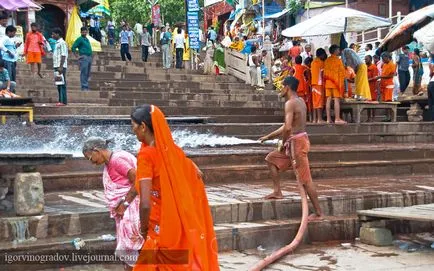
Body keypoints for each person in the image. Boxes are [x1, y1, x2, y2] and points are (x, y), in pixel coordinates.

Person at [130, 104, 219, 270]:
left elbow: (145, 203)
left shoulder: (146, 156)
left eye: (133, 127)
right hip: (176, 222)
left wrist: (143, 230)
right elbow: (192, 170)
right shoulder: (172, 152)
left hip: (157, 226)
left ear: (143, 126)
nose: (133, 131)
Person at [258, 76, 323, 221]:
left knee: (305, 180)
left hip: (297, 144)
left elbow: (288, 128)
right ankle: (277, 191)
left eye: (282, 86)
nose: (280, 89)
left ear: (287, 87)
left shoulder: (290, 103)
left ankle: (318, 212)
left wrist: (283, 142)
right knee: (271, 159)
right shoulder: (300, 101)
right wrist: (268, 137)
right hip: (297, 142)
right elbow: (288, 126)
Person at [82, 137, 144, 271]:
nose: (91, 162)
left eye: (90, 158)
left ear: (96, 150)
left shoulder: (116, 161)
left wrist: (125, 204)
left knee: (132, 247)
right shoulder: (111, 161)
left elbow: (138, 180)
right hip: (128, 210)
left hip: (132, 208)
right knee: (131, 248)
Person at [324, 44, 346, 124]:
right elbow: (342, 73)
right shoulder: (338, 60)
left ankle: (328, 119)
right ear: (335, 51)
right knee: (336, 100)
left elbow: (325, 72)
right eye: (338, 50)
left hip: (328, 82)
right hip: (335, 83)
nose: (339, 51)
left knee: (328, 100)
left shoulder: (326, 60)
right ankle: (337, 119)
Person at [72, 27, 93, 91]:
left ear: (87, 32)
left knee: (87, 73)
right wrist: (77, 56)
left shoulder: (86, 39)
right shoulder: (80, 39)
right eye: (83, 32)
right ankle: (84, 87)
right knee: (84, 72)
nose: (84, 33)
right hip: (84, 57)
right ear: (80, 32)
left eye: (85, 31)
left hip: (89, 57)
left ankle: (86, 86)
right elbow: (73, 47)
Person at [51, 28, 68, 106]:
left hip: (60, 66)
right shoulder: (57, 43)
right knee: (59, 83)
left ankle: (62, 101)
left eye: (53, 34)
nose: (52, 35)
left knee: (61, 84)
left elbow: (63, 55)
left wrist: (61, 66)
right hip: (56, 65)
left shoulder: (62, 43)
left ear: (58, 34)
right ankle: (61, 100)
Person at [311, 48, 327, 123]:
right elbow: (323, 74)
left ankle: (314, 119)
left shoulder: (313, 62)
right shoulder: (321, 63)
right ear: (322, 55)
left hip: (313, 84)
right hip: (319, 84)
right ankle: (319, 119)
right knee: (319, 102)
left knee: (315, 102)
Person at [365, 55, 379, 122]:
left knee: (373, 103)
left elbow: (375, 77)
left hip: (373, 87)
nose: (365, 61)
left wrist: (367, 80)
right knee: (368, 102)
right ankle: (368, 117)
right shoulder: (365, 67)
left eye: (366, 59)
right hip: (367, 88)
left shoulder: (374, 67)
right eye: (365, 59)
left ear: (370, 59)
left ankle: (373, 118)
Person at [428, 54, 434, 121]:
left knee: (431, 103)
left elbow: (430, 74)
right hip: (433, 84)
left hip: (430, 84)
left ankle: (431, 119)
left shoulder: (432, 65)